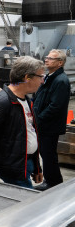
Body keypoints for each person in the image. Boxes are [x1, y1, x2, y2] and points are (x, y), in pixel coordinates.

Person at [0, 56, 45, 189]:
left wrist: (37, 167)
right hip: (11, 170)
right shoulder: (1, 102)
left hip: (26, 164)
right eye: (40, 76)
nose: (42, 81)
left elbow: (30, 134)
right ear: (27, 77)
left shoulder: (27, 101)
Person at [33, 50, 70, 189]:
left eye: (50, 58)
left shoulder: (61, 80)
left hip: (49, 125)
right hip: (43, 123)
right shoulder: (50, 77)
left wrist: (39, 119)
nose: (46, 60)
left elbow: (55, 106)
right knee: (46, 153)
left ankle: (53, 183)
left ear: (60, 62)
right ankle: (53, 181)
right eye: (46, 57)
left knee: (48, 154)